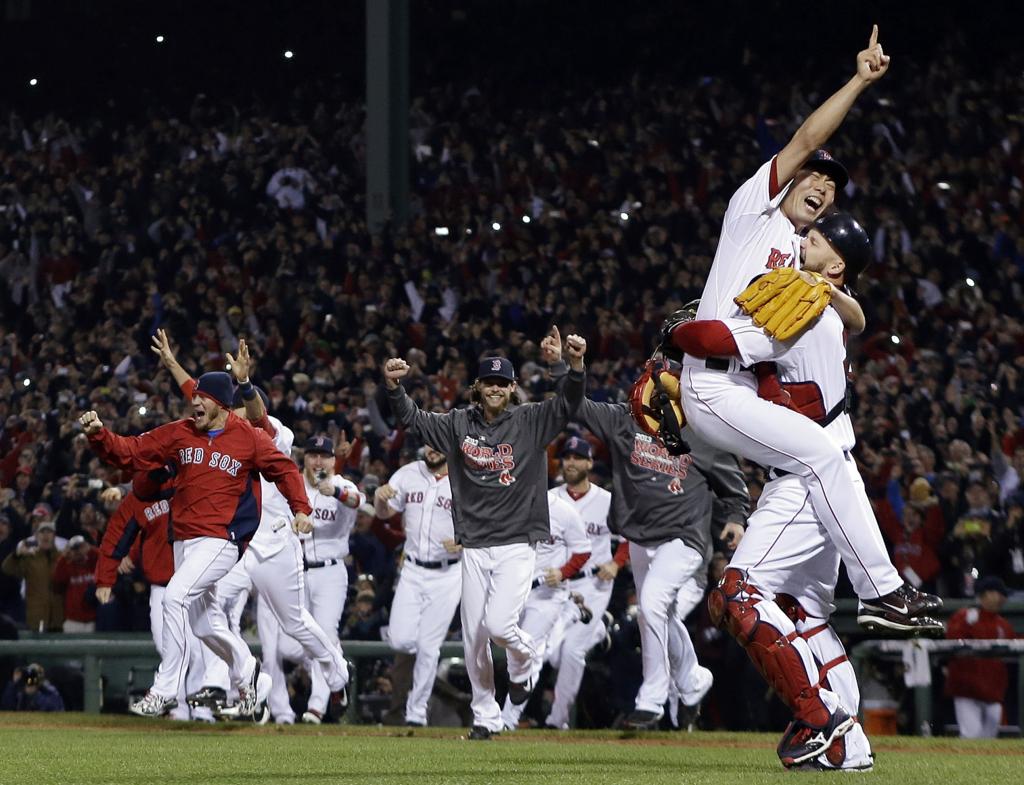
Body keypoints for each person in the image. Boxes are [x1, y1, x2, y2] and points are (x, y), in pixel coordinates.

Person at [666, 27, 941, 635]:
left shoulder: (802, 261)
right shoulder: (752, 212)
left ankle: (863, 594)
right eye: (814, 177)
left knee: (825, 460)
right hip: (712, 387)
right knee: (821, 454)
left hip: (736, 389)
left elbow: (855, 314)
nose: (823, 186)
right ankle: (880, 591)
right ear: (787, 181)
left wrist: (840, 296)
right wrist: (862, 82)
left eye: (833, 188)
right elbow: (808, 138)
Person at [682, 213, 937, 768]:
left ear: (836, 263)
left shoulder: (803, 304)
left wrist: (669, 335)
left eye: (814, 239)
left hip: (806, 479)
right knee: (805, 612)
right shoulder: (822, 302)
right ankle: (850, 742)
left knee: (737, 595)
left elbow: (713, 338)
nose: (801, 240)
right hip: (824, 473)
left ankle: (824, 722)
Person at [383, 326, 587, 740]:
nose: (495, 389)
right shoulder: (459, 424)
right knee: (475, 638)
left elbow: (569, 402)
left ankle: (524, 664)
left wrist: (568, 366)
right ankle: (486, 717)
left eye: (502, 383)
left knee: (497, 626)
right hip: (474, 547)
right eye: (488, 383)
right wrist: (393, 388)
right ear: (477, 387)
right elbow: (414, 419)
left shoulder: (530, 420)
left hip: (515, 544)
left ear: (512, 388)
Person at [78, 362, 313, 719]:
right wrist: (99, 434)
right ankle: (249, 673)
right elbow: (131, 452)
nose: (196, 405)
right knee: (205, 624)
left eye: (202, 398)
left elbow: (284, 469)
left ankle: (165, 690)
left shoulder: (247, 436)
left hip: (222, 539)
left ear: (220, 402)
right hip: (184, 540)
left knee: (174, 597)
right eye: (195, 399)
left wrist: (301, 507)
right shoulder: (180, 432)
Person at [149, 332, 350, 725]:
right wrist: (172, 363)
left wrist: (244, 383)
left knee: (295, 623)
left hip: (275, 544)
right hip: (233, 545)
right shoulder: (214, 427)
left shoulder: (268, 430)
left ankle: (338, 673)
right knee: (208, 606)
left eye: (229, 401)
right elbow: (198, 392)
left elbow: (255, 414)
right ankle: (225, 683)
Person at [547, 341, 748, 731]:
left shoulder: (700, 433)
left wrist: (736, 518)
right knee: (660, 614)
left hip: (684, 539)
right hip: (640, 537)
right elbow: (577, 406)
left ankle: (652, 698)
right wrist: (566, 367)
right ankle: (692, 680)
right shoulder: (626, 421)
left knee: (652, 603)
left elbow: (734, 487)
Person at [94, 469, 214, 722]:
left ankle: (202, 709)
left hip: (195, 585)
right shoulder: (142, 497)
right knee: (167, 647)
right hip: (161, 585)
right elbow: (128, 532)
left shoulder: (190, 482)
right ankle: (179, 708)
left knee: (198, 646)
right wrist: (109, 574)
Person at [375, 444, 463, 728]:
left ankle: (416, 712)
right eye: (427, 441)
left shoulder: (465, 477)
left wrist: (465, 542)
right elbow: (385, 513)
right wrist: (379, 499)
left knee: (429, 647)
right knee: (400, 640)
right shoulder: (408, 473)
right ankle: (414, 704)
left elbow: (486, 520)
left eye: (439, 442)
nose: (433, 449)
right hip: (412, 568)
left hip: (448, 573)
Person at [544, 436, 622, 730]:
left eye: (578, 457)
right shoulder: (550, 498)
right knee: (551, 655)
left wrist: (616, 563)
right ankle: (599, 630)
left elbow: (628, 539)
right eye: (567, 457)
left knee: (572, 651)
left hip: (593, 585)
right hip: (556, 585)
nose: (571, 462)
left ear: (590, 463)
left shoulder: (606, 500)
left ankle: (557, 719)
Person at [499, 488, 592, 731]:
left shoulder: (563, 510)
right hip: (515, 589)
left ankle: (508, 719)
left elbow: (583, 551)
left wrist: (563, 572)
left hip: (547, 593)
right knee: (510, 646)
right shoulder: (511, 502)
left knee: (533, 651)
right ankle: (571, 614)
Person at [290, 434, 363, 724]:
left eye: (324, 455)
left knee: (325, 631)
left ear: (334, 460)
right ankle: (339, 669)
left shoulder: (342, 485)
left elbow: (358, 500)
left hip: (330, 572)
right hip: (296, 571)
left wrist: (335, 492)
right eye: (313, 455)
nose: (318, 460)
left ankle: (317, 707)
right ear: (304, 458)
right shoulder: (292, 484)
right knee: (299, 643)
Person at [945, 576, 1018, 739]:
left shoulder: (1003, 624)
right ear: (988, 594)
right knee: (971, 735)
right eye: (1000, 594)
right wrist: (966, 624)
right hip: (967, 690)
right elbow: (952, 641)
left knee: (989, 739)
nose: (1003, 599)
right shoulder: (965, 616)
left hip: (993, 692)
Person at [1, 518, 63, 632]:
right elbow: (7, 569)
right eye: (42, 532)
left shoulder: (62, 557)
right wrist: (17, 554)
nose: (46, 535)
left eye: (49, 532)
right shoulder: (30, 558)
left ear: (54, 536)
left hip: (58, 616)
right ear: (37, 536)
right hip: (37, 616)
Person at [51, 535, 97, 632]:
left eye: (80, 547)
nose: (78, 551)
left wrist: (90, 550)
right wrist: (64, 557)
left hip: (93, 619)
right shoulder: (67, 566)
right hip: (73, 621)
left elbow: (106, 558)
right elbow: (56, 583)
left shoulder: (93, 562)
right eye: (74, 548)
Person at [0, 663, 64, 711]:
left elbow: (54, 708)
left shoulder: (48, 689)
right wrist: (14, 684)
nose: (30, 679)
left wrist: (35, 695)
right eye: (28, 676)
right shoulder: (18, 688)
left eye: (33, 676)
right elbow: (6, 707)